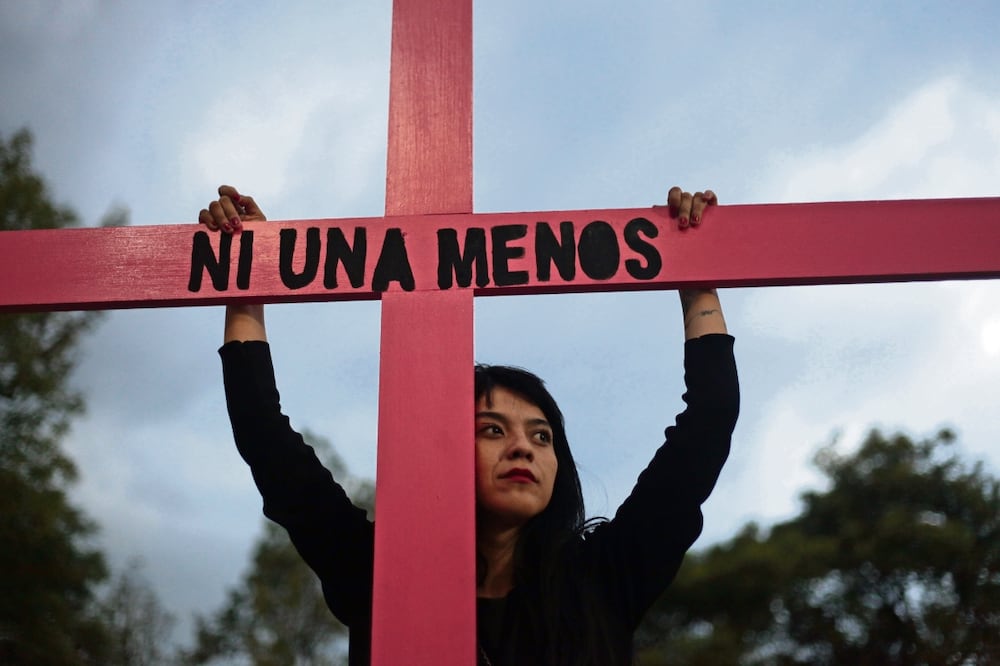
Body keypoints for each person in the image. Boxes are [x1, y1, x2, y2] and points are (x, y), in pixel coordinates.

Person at [200, 185, 739, 665]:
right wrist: (249, 278)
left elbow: (708, 421)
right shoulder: (379, 574)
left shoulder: (606, 576)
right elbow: (265, 436)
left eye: (541, 435)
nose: (523, 449)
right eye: (493, 430)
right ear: (443, 450)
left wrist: (695, 281)